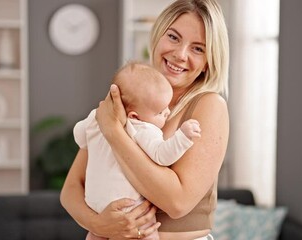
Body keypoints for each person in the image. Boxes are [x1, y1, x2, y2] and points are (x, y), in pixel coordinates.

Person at [61, 0, 229, 239]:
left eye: (198, 48)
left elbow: (177, 202)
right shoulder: (127, 96)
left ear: (208, 61)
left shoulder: (209, 106)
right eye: (173, 37)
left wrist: (114, 131)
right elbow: (71, 188)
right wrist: (99, 225)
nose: (180, 54)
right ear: (158, 34)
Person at [74, 62, 201, 240]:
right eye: (160, 112)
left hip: (95, 207)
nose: (167, 113)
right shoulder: (142, 128)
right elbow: (162, 155)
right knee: (148, 233)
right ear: (134, 116)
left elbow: (79, 135)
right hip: (129, 209)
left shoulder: (97, 116)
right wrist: (183, 137)